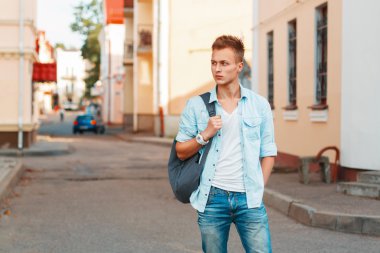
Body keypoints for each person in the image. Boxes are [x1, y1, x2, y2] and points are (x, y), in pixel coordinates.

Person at [175, 35, 277, 253]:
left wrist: (259, 187)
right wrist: (205, 134)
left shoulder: (259, 105)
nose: (217, 69)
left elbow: (268, 151)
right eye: (213, 63)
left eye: (224, 63)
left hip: (249, 198)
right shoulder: (196, 106)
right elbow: (180, 152)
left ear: (239, 66)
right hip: (212, 198)